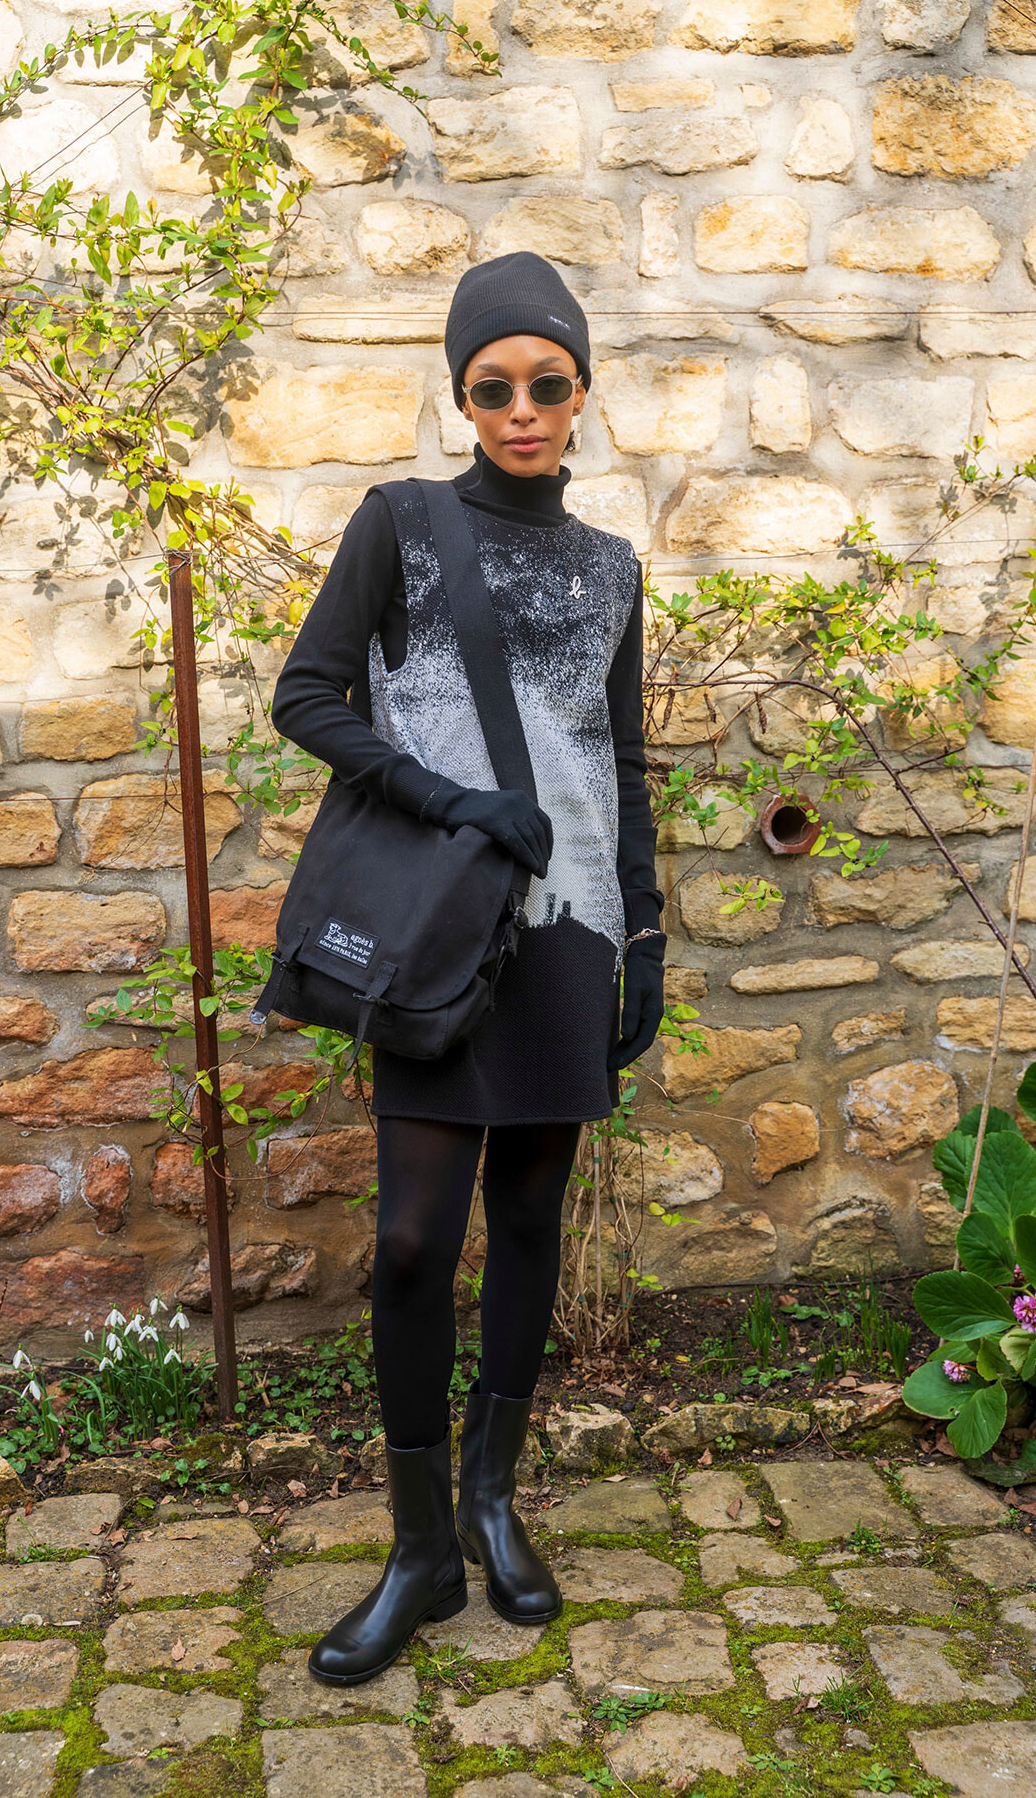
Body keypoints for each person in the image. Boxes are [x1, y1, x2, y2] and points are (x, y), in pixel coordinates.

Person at [268, 250, 667, 1686]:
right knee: (411, 1241)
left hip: (569, 933)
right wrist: (451, 799)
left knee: (534, 1215)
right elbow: (305, 695)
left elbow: (620, 763)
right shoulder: (403, 526)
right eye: (491, 387)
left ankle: (495, 1503)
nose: (521, 409)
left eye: (547, 383)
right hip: (441, 937)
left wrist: (644, 934)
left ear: (582, 393)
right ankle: (419, 1545)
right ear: (461, 398)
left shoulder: (612, 568)